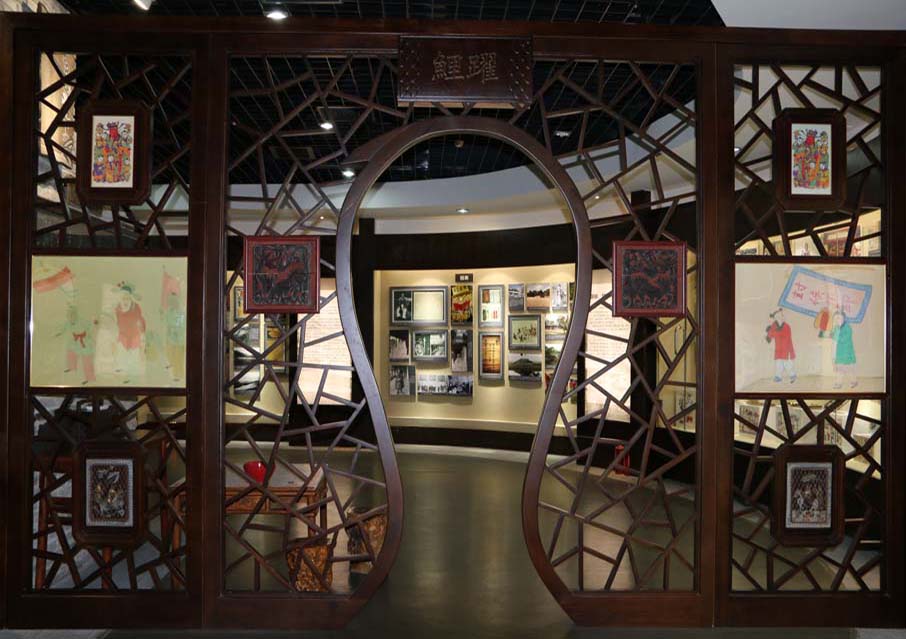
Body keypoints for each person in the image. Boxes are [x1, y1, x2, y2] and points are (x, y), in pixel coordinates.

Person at [765, 308, 796, 384]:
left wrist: (775, 332)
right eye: (779, 316)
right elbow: (770, 336)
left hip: (786, 348)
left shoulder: (787, 326)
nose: (782, 317)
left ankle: (792, 375)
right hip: (778, 349)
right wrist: (768, 333)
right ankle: (778, 377)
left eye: (782, 315)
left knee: (787, 364)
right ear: (775, 317)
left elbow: (786, 336)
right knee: (778, 363)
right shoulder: (773, 325)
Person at [830, 311, 857, 389]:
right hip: (839, 353)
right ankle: (839, 383)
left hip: (847, 353)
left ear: (844, 318)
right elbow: (833, 336)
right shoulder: (836, 328)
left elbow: (844, 339)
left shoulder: (848, 328)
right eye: (836, 318)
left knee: (849, 369)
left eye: (839, 318)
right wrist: (832, 335)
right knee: (840, 369)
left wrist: (835, 336)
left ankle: (854, 381)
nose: (837, 320)